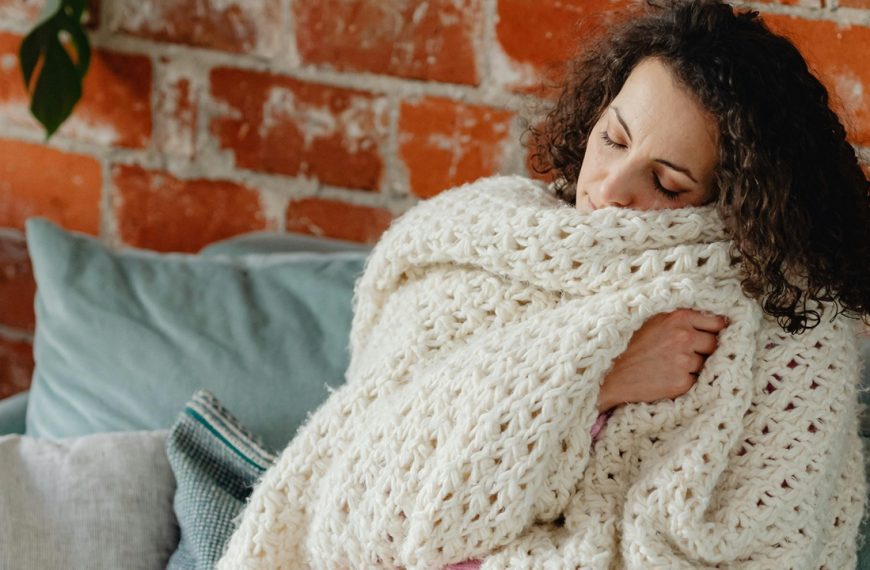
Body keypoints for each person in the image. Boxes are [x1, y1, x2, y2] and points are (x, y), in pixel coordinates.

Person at [218, 1, 869, 568]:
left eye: (666, 183)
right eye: (614, 139)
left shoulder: (787, 327)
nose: (611, 188)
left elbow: (764, 545)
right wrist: (593, 374)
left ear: (740, 203)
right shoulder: (473, 242)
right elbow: (362, 510)